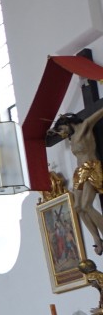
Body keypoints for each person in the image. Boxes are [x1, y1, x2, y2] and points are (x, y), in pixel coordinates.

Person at [50, 108, 103, 254]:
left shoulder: (85, 126)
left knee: (87, 205)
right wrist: (52, 132)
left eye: (63, 129)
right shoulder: (72, 138)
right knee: (78, 207)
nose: (63, 133)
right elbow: (56, 134)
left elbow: (100, 112)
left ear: (68, 123)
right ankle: (96, 239)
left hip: (91, 167)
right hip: (79, 171)